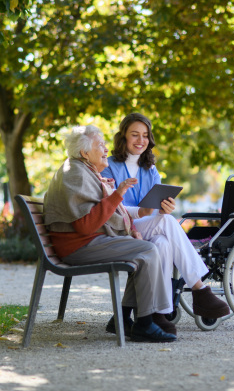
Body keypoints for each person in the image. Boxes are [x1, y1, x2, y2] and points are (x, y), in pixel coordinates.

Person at [43, 125, 176, 343]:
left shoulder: (86, 171)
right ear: (85, 153)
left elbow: (107, 214)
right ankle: (146, 322)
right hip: (79, 246)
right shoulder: (75, 173)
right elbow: (85, 225)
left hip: (88, 241)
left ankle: (123, 319)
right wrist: (119, 193)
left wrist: (132, 230)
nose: (106, 149)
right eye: (101, 145)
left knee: (145, 250)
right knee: (149, 251)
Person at [101, 113, 230, 334]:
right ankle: (199, 288)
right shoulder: (109, 166)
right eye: (134, 135)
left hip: (147, 229)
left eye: (145, 136)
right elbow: (111, 206)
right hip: (120, 228)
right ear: (123, 136)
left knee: (162, 243)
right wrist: (144, 212)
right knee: (168, 224)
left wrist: (163, 209)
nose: (140, 140)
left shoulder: (150, 170)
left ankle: (157, 314)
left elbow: (154, 211)